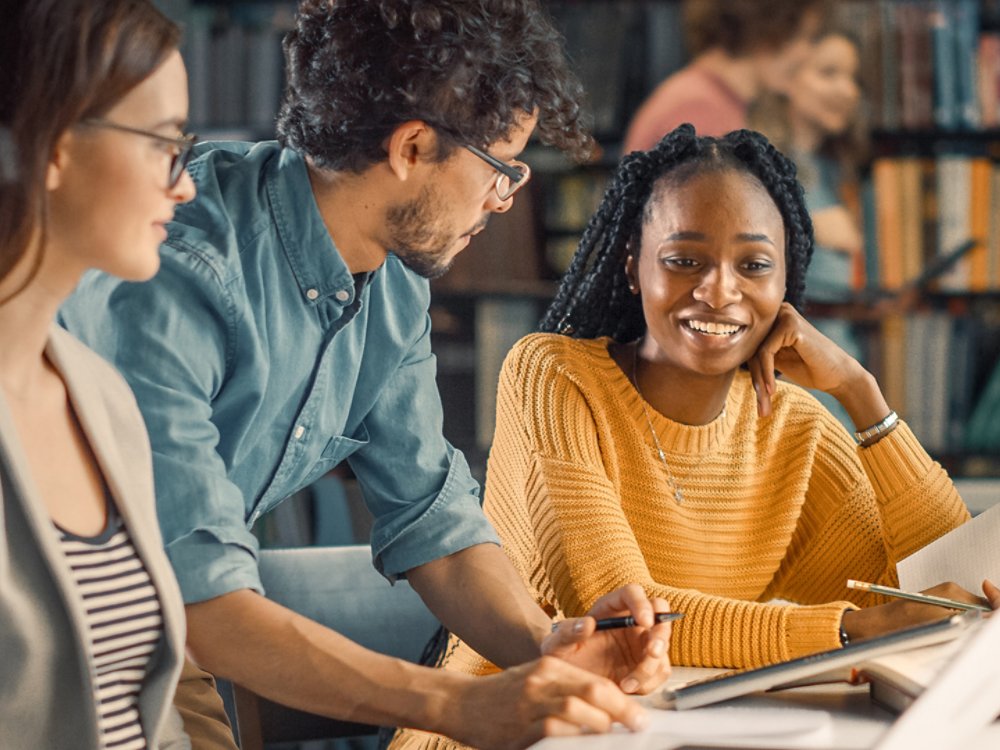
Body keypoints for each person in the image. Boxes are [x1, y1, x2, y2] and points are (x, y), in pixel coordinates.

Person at [59, 1, 674, 748]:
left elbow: (433, 521)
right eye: (503, 167)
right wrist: (453, 704)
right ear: (413, 147)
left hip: (170, 618)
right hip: (64, 624)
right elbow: (199, 599)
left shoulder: (390, 284)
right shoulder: (178, 273)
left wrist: (550, 652)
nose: (506, 198)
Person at [388, 125, 1000, 750]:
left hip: (675, 731)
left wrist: (860, 391)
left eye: (754, 265)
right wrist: (849, 631)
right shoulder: (554, 377)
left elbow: (944, 582)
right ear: (632, 264)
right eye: (684, 260)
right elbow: (625, 619)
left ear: (786, 281)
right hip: (509, 730)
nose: (719, 290)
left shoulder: (797, 426)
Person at [0, 0, 195, 748]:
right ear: (51, 142)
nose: (185, 185)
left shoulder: (101, 395)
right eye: (164, 144)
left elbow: (149, 715)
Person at [749, 30, 867, 428]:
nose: (847, 90)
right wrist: (811, 225)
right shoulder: (761, 165)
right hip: (788, 364)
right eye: (829, 73)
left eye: (853, 78)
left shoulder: (836, 170)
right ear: (785, 78)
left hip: (838, 344)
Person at [623, 0, 824, 153]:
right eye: (801, 36)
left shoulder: (708, 99)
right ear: (763, 28)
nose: (806, 53)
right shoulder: (699, 109)